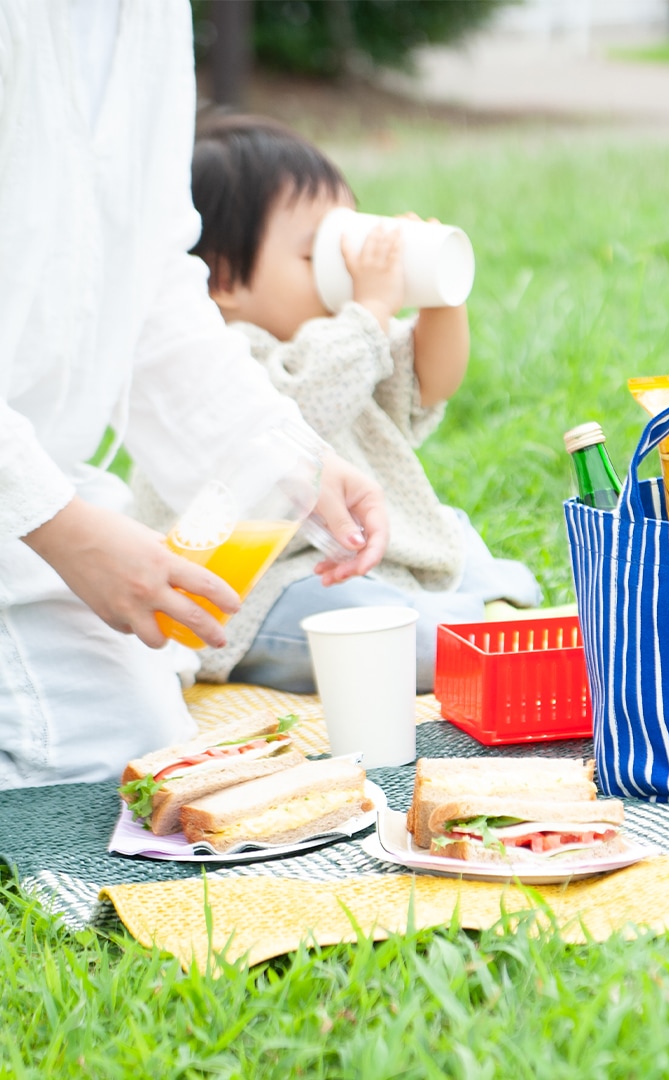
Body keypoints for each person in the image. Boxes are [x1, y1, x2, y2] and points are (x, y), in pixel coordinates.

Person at [0, 0, 388, 788]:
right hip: (30, 498)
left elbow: (149, 278)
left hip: (35, 485)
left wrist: (287, 456)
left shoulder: (145, 17)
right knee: (90, 763)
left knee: (142, 745)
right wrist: (59, 525)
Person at [133, 113, 543, 695]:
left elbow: (432, 379)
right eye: (316, 258)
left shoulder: (348, 338)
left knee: (446, 528)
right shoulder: (223, 358)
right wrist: (372, 307)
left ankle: (480, 608)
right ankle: (479, 622)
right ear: (222, 276)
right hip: (272, 585)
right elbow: (295, 417)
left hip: (366, 557)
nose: (344, 275)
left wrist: (438, 294)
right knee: (397, 635)